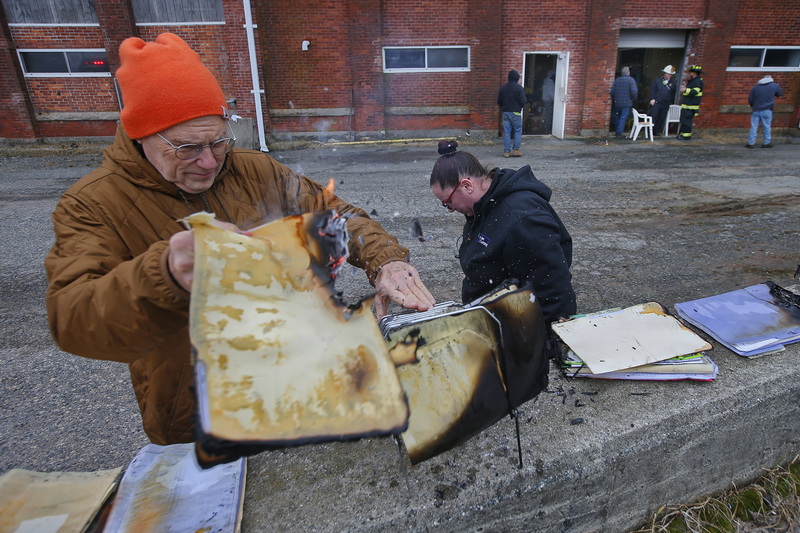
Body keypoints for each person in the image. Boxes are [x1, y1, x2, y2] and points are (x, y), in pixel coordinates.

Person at [44, 33, 435, 446]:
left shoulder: (252, 169)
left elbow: (337, 215)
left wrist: (386, 260)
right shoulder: (92, 203)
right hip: (203, 413)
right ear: (141, 136)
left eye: (217, 141)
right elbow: (72, 318)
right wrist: (164, 275)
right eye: (187, 148)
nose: (209, 161)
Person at [429, 139, 576, 332]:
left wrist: (540, 347)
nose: (449, 209)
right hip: (497, 323)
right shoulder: (483, 207)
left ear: (466, 185)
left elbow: (553, 291)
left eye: (447, 202)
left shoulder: (522, 218)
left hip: (521, 332)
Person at [746, 75, 783, 148]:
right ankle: (766, 143)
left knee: (754, 127)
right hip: (767, 109)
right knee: (766, 126)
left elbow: (750, 99)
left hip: (756, 110)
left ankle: (751, 143)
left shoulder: (755, 87)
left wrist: (752, 106)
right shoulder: (774, 86)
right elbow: (780, 94)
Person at [497, 69, 526, 158]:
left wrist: (504, 107)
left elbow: (499, 101)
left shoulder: (503, 88)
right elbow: (523, 101)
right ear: (517, 78)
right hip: (516, 113)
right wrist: (519, 106)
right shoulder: (519, 88)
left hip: (506, 113)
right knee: (517, 131)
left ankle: (506, 152)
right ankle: (516, 150)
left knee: (507, 132)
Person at [610, 66, 638, 138]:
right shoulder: (631, 80)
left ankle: (617, 130)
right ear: (628, 73)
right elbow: (634, 92)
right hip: (627, 102)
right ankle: (619, 132)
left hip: (617, 102)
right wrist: (634, 99)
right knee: (623, 117)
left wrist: (615, 98)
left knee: (617, 117)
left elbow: (612, 91)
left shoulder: (617, 80)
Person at [678, 65, 704, 140]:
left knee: (687, 122)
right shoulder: (694, 81)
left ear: (694, 73)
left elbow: (695, 91)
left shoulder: (698, 81)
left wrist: (685, 90)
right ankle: (683, 134)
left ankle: (686, 136)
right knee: (684, 121)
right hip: (687, 105)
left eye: (691, 72)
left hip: (690, 106)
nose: (690, 74)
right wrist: (685, 87)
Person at [649, 65, 677, 136]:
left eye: (671, 74)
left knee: (661, 118)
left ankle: (656, 131)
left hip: (666, 103)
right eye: (668, 74)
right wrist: (652, 99)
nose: (669, 75)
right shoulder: (658, 81)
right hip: (657, 102)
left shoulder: (673, 83)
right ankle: (650, 131)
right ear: (665, 73)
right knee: (654, 117)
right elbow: (653, 90)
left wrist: (671, 101)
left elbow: (673, 93)